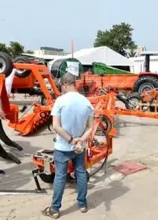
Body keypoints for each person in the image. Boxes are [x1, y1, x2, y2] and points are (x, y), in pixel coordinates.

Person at [42, 72, 94, 219]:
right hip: (79, 147)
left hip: (63, 147)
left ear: (65, 84)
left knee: (60, 176)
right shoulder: (86, 102)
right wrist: (80, 141)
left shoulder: (60, 101)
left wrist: (71, 140)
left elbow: (56, 126)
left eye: (61, 86)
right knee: (81, 173)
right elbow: (90, 127)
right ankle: (82, 204)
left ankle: (55, 209)